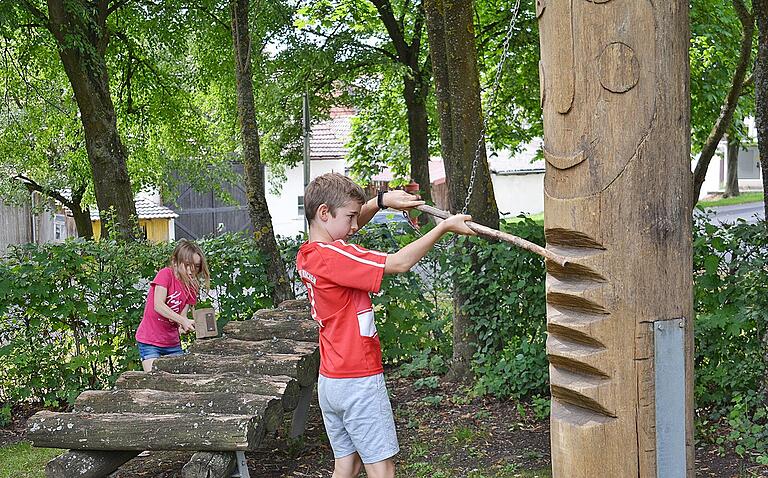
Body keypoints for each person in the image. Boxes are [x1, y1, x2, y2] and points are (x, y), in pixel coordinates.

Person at [296, 173, 475, 478]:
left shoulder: (309, 254)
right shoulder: (338, 256)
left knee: (347, 465)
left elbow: (342, 230)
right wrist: (443, 227)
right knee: (382, 469)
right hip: (358, 379)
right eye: (351, 217)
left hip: (332, 380)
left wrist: (379, 202)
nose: (355, 226)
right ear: (324, 213)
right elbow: (399, 263)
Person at [135, 239, 211, 372]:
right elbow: (158, 305)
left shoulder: (192, 287)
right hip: (149, 341)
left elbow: (180, 317)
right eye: (187, 264)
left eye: (196, 265)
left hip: (172, 343)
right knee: (154, 381)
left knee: (178, 383)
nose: (192, 270)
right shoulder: (165, 274)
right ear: (175, 262)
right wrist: (183, 320)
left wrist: (187, 325)